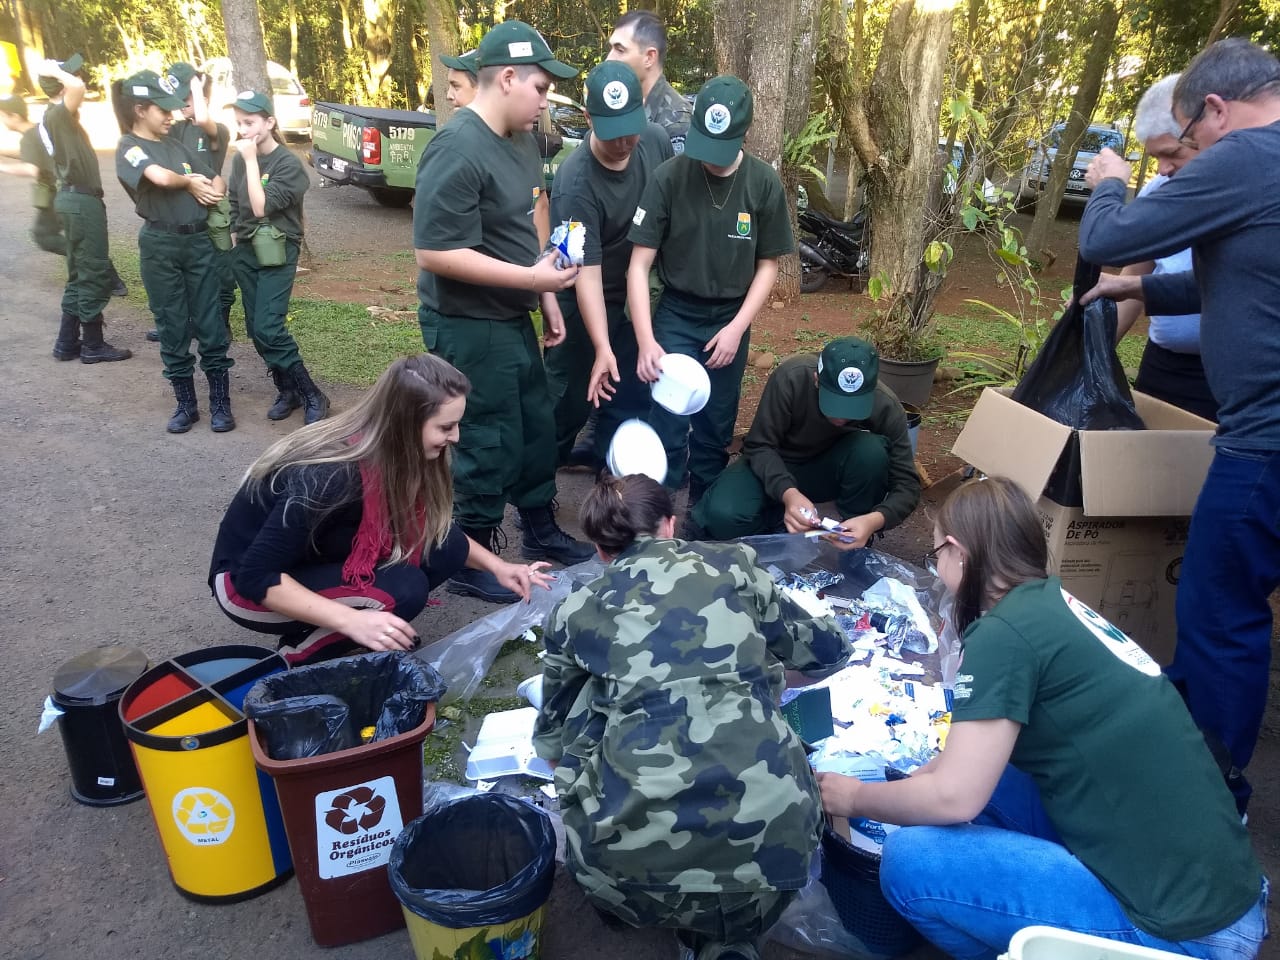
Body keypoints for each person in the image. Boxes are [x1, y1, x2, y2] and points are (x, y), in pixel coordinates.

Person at [817, 476, 1268, 960]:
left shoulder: (1003, 635)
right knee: (1002, 778)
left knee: (909, 862)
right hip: (1225, 888)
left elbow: (954, 798)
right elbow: (962, 767)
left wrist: (857, 797)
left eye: (934, 556)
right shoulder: (1053, 603)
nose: (937, 566)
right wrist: (915, 781)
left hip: (1185, 932)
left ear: (959, 551)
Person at [1077, 38, 1280, 815]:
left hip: (1264, 437)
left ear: (1217, 112)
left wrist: (1111, 184)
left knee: (1217, 606)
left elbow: (1102, 240)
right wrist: (1145, 292)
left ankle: (1208, 790)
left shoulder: (1247, 153)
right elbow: (1236, 273)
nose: (1187, 160)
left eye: (1188, 144)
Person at [533, 473, 851, 960]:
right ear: (671, 525)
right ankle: (730, 937)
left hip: (625, 882)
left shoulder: (576, 610)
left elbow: (552, 738)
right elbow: (826, 649)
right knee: (758, 686)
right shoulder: (734, 566)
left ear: (600, 550)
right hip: (775, 863)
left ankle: (667, 893)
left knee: (585, 699)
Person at [210, 354, 553, 667]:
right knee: (404, 588)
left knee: (443, 546)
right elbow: (254, 576)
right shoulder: (330, 476)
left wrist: (500, 567)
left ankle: (338, 623)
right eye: (446, 427)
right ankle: (290, 662)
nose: (457, 437)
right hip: (244, 587)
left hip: (307, 558)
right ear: (405, 423)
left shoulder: (397, 451)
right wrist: (353, 621)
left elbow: (437, 530)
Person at [413, 20, 594, 604]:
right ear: (508, 77)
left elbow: (525, 222)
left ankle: (538, 524)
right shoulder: (457, 146)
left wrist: (546, 295)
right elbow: (435, 251)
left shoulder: (519, 140)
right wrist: (532, 279)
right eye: (541, 88)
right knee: (485, 433)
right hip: (467, 323)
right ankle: (470, 549)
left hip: (512, 312)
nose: (546, 101)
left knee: (535, 423)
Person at [627, 75, 793, 507]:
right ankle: (657, 518)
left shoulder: (763, 183)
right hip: (677, 312)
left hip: (729, 316)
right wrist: (647, 341)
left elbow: (768, 264)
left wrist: (738, 327)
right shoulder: (669, 177)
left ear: (744, 134)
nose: (710, 162)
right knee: (664, 417)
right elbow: (640, 263)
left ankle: (702, 515)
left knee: (716, 423)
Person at [544, 61, 672, 470]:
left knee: (627, 390)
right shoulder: (574, 181)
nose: (624, 143)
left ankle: (608, 468)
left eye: (630, 128)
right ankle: (539, 481)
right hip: (580, 293)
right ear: (588, 118)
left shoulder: (653, 141)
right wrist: (601, 345)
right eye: (612, 133)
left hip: (635, 294)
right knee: (568, 397)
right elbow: (585, 273)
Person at [693, 337, 920, 545]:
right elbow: (759, 445)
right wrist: (788, 493)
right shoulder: (792, 377)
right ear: (816, 379)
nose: (841, 418)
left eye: (852, 408)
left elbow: (907, 485)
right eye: (834, 404)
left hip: (829, 469)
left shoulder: (886, 405)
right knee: (722, 514)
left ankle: (853, 536)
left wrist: (873, 521)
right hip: (776, 462)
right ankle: (776, 526)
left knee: (871, 452)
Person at [113, 71, 234, 434]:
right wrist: (189, 183)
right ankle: (186, 404)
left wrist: (209, 187)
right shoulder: (130, 146)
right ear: (139, 110)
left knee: (210, 321)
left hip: (198, 243)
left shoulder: (177, 146)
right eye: (162, 109)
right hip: (161, 245)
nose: (171, 115)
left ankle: (220, 403)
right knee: (171, 323)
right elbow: (161, 178)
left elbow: (213, 177)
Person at [1110, 74, 1216, 422]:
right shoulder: (1159, 190)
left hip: (1232, 375)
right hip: (1164, 366)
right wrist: (1094, 349)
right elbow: (1138, 271)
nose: (1162, 169)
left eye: (1172, 154)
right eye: (1155, 157)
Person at [227, 89, 329, 425]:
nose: (244, 130)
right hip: (245, 250)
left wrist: (251, 160)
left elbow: (260, 206)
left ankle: (313, 393)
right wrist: (232, 235)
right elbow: (234, 201)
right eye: (240, 123)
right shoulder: (241, 160)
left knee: (269, 326)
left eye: (251, 122)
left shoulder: (289, 164)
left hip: (277, 251)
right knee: (257, 329)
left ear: (269, 122)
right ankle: (288, 389)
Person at [38, 54, 132, 364]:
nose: (80, 78)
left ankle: (67, 342)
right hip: (81, 202)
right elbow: (76, 86)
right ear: (60, 85)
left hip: (75, 200)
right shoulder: (57, 115)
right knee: (92, 269)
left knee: (79, 273)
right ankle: (93, 344)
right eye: (70, 75)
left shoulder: (58, 117)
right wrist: (54, 70)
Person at [0, 93, 130, 291]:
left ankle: (99, 269)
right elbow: (30, 154)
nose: (2, 120)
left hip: (55, 195)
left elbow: (31, 168)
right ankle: (108, 276)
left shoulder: (29, 138)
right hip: (67, 192)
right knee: (69, 236)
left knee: (45, 236)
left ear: (14, 116)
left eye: (3, 115)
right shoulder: (38, 131)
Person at [167, 61, 236, 339]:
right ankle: (190, 321)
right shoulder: (177, 129)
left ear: (202, 100)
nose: (181, 105)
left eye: (187, 100)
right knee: (188, 268)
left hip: (212, 208)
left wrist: (196, 82)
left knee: (222, 268)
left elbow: (205, 120)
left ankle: (222, 322)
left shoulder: (216, 129)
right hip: (185, 207)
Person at [606, 10, 692, 153]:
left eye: (620, 50)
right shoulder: (620, 104)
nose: (609, 59)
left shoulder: (677, 119)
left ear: (649, 58)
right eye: (611, 48)